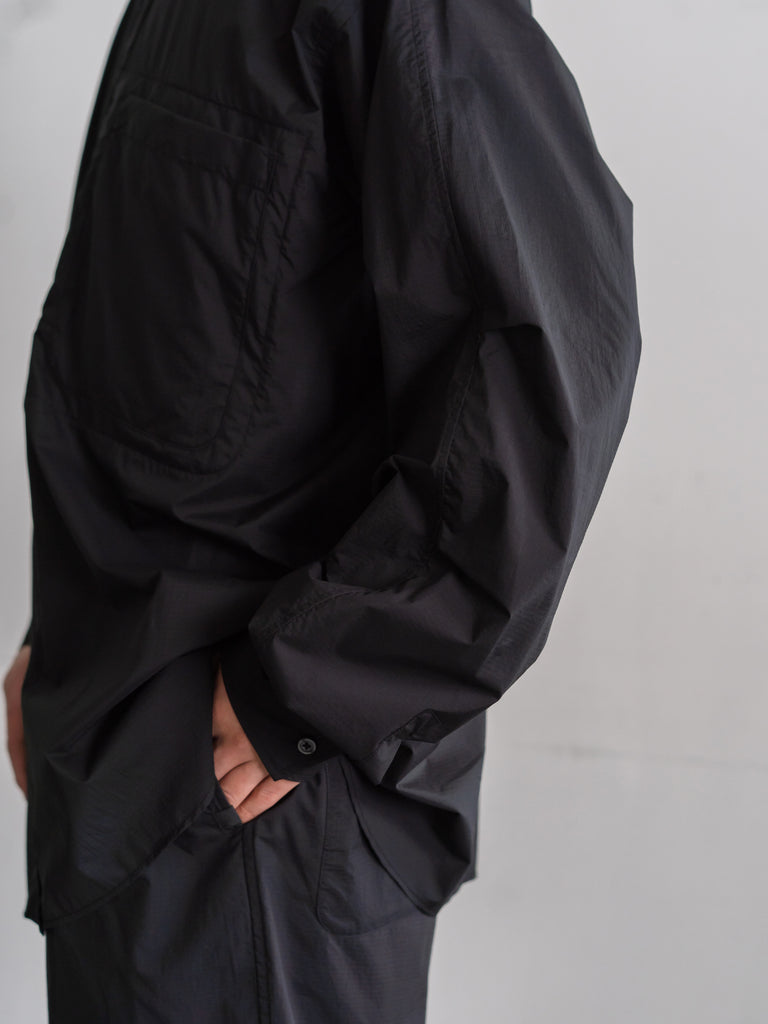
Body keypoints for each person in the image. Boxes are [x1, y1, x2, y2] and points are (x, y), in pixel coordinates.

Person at [4, 0, 642, 1020]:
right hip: (120, 750)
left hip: (256, 810)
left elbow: (540, 392)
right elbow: (148, 357)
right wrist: (62, 628)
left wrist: (305, 692)